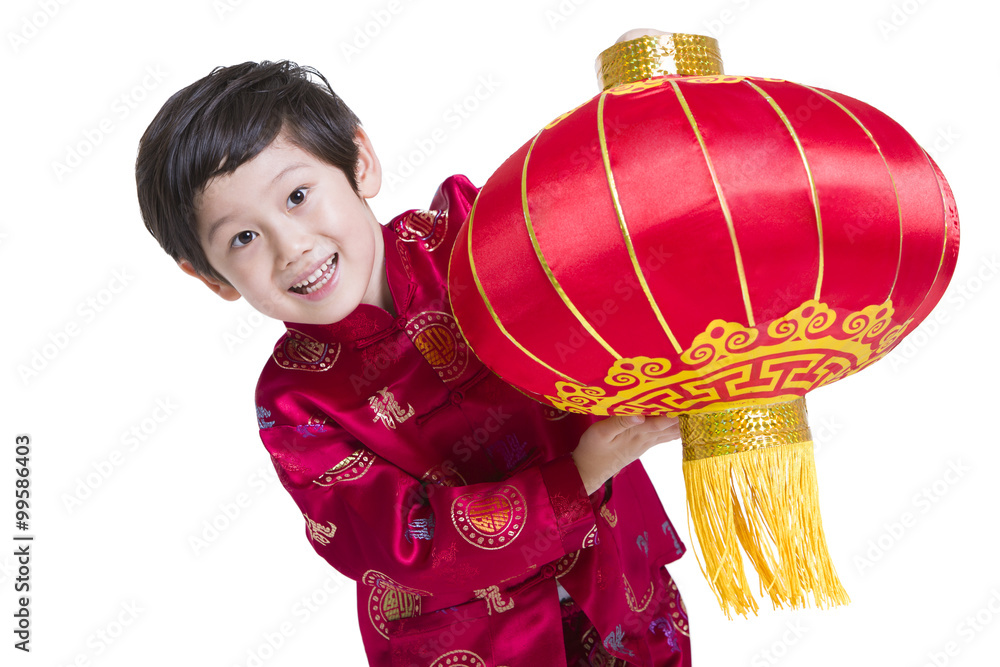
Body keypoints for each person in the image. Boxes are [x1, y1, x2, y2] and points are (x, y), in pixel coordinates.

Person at [136, 59, 691, 666]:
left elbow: (605, 243)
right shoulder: (295, 409)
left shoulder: (474, 235)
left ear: (360, 161)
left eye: (297, 197)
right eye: (242, 238)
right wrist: (578, 474)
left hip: (619, 577)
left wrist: (643, 98)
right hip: (473, 645)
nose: (290, 247)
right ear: (210, 277)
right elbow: (401, 543)